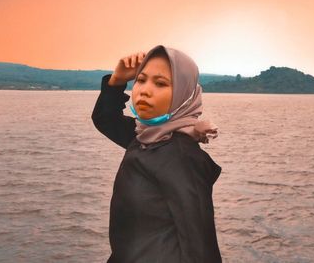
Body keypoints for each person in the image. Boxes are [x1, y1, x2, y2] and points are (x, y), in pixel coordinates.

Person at [91, 44, 222, 262]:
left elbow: (199, 243)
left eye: (160, 83)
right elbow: (106, 119)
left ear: (184, 94)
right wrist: (117, 81)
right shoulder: (147, 137)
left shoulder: (181, 155)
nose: (145, 90)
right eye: (140, 80)